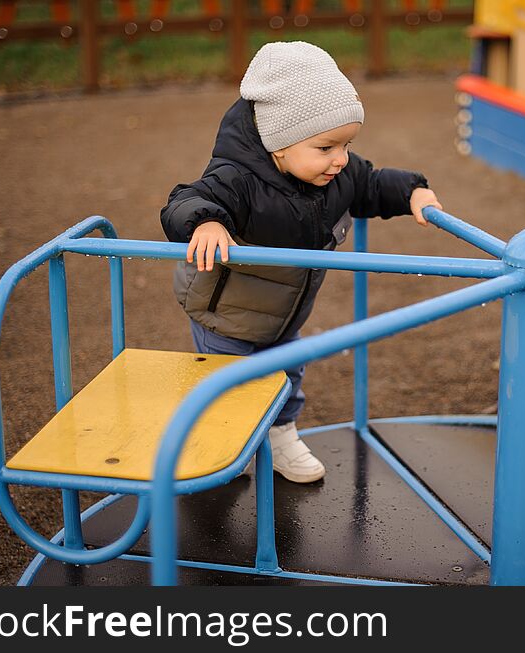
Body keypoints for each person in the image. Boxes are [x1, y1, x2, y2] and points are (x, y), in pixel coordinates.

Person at [160, 41, 442, 483]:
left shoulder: (336, 172)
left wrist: (412, 191)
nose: (340, 159)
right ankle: (223, 448)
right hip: (225, 314)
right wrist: (207, 222)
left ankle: (281, 438)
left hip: (286, 311)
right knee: (228, 387)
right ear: (280, 143)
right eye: (327, 146)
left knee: (288, 374)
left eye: (347, 144)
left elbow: (369, 183)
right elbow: (187, 200)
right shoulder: (238, 179)